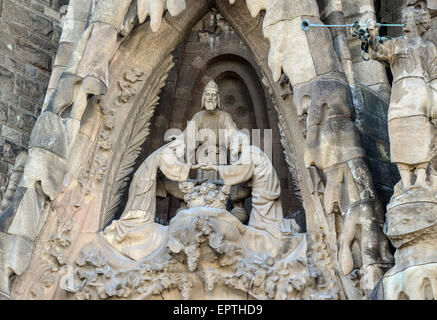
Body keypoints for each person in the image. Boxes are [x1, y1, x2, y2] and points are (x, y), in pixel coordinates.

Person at [368, 7, 437, 190]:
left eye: (408, 17)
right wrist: (372, 35)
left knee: (421, 133)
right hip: (399, 95)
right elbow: (377, 52)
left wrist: (434, 100)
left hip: (419, 93)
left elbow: (435, 74)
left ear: (418, 22)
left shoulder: (427, 46)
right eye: (403, 17)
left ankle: (421, 179)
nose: (404, 20)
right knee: (398, 133)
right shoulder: (395, 44)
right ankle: (406, 183)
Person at [102, 136, 191, 260]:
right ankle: (129, 228)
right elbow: (174, 172)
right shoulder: (166, 153)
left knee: (142, 213)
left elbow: (171, 185)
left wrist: (192, 184)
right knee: (139, 215)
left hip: (146, 182)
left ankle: (132, 227)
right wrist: (193, 171)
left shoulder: (164, 154)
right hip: (144, 184)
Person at [201, 133, 290, 239]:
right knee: (262, 219)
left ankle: (270, 236)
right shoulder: (251, 151)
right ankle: (267, 235)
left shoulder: (250, 152)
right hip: (263, 188)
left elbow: (238, 170)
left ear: (239, 143)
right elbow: (245, 175)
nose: (230, 148)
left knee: (262, 220)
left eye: (232, 144)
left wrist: (215, 167)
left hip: (263, 190)